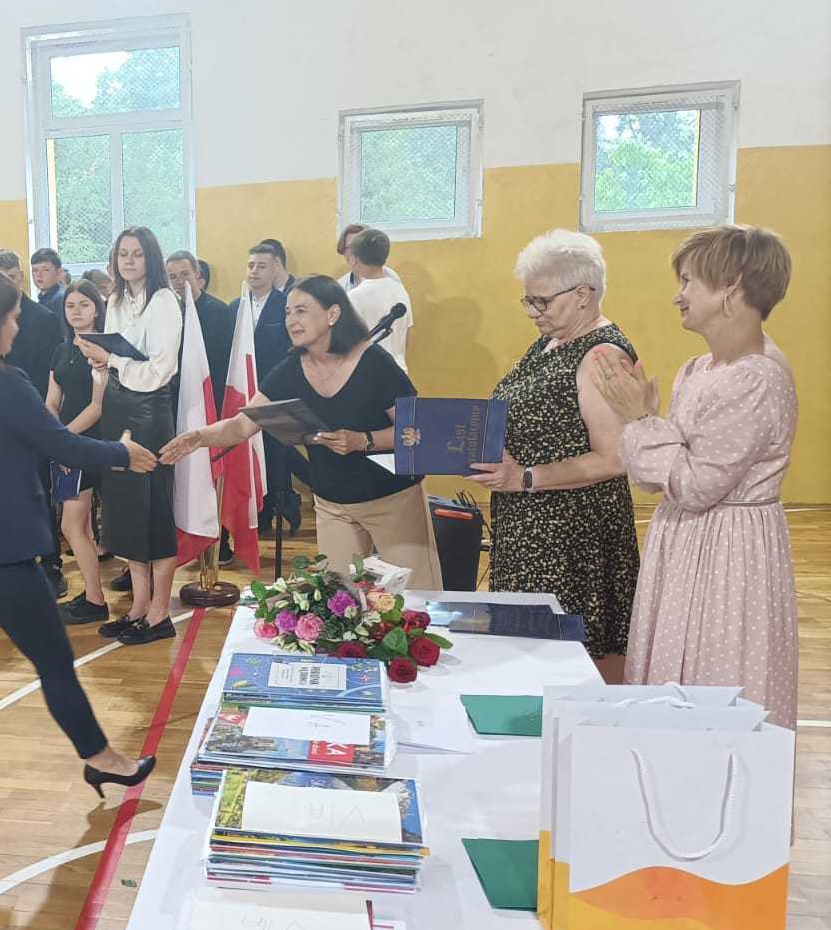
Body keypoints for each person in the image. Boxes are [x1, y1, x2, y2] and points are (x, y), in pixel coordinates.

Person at [0, 266, 159, 848]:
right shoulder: (5, 383)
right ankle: (102, 759)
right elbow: (59, 444)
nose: (17, 328)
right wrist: (123, 453)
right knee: (54, 663)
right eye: (13, 318)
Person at [596, 226, 798, 727]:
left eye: (689, 281)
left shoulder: (754, 378)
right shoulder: (699, 369)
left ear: (731, 287)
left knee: (717, 669)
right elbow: (658, 477)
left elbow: (694, 485)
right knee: (676, 668)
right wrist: (647, 423)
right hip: (689, 538)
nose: (678, 295)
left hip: (728, 549)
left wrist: (640, 420)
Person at [164, 277, 443, 588]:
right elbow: (241, 425)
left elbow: (418, 429)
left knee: (416, 596)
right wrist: (199, 437)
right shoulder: (290, 369)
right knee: (340, 601)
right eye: (287, 312)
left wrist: (364, 440)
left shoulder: (374, 362)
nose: (291, 320)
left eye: (301, 311)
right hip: (332, 503)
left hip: (392, 498)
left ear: (332, 314)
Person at [467, 230, 640, 674]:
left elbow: (614, 458)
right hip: (530, 525)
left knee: (571, 662)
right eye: (527, 300)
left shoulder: (602, 355)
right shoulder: (552, 340)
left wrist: (525, 477)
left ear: (583, 295)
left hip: (572, 536)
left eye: (541, 301)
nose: (532, 311)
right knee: (528, 657)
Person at [76, 226, 182, 646]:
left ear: (150, 258)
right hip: (119, 405)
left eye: (137, 254)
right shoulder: (117, 299)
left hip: (150, 411)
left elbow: (160, 369)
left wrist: (113, 360)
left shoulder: (165, 301)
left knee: (154, 511)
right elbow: (114, 358)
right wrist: (99, 362)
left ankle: (160, 612)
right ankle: (138, 606)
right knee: (126, 513)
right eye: (123, 254)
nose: (129, 261)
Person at [0, 248, 65, 595]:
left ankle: (50, 564)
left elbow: (49, 375)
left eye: (12, 277)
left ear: (20, 276)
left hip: (32, 417)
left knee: (39, 494)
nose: (7, 284)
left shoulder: (44, 318)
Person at [46, 280, 111, 625]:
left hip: (87, 444)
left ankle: (96, 600)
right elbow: (51, 400)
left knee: (71, 526)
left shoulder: (102, 350)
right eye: (70, 305)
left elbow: (97, 407)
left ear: (97, 309)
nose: (76, 311)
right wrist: (55, 434)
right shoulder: (61, 349)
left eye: (84, 304)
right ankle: (91, 595)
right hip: (65, 441)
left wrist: (64, 439)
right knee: (78, 526)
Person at [228, 241, 297, 535]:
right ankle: (252, 513)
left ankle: (275, 510)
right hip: (244, 394)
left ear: (275, 269)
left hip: (275, 392)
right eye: (251, 266)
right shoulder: (235, 306)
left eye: (262, 266)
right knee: (246, 452)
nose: (254, 272)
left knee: (275, 454)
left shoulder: (285, 306)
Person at [340, 227, 413, 373]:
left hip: (369, 375)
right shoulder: (401, 290)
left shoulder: (354, 296)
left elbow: (346, 343)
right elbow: (408, 336)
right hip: (399, 372)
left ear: (355, 258)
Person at [167, 249, 233, 408]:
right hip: (178, 395)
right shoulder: (169, 312)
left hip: (210, 394)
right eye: (173, 277)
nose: (180, 281)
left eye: (185, 274)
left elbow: (227, 360)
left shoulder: (219, 311)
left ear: (196, 273)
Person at [337, 223, 404, 288]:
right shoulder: (341, 286)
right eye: (350, 247)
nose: (355, 252)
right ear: (343, 250)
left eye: (360, 246)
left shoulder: (391, 277)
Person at [31, 247, 68, 326]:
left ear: (58, 272)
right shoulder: (43, 299)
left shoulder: (60, 299)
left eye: (46, 270)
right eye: (35, 270)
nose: (39, 275)